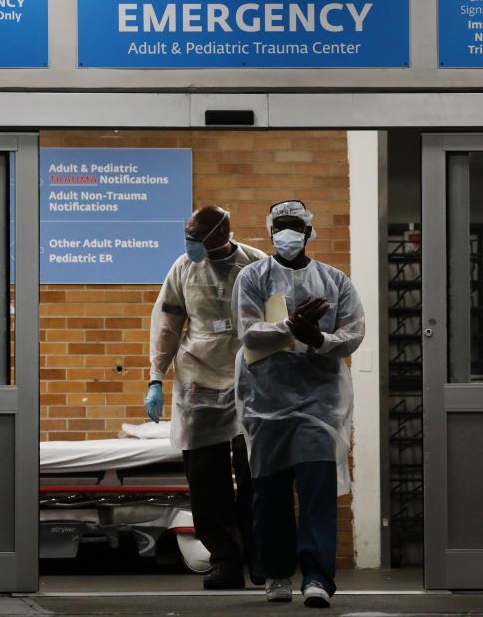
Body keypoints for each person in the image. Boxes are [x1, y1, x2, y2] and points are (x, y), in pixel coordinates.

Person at [233, 200, 365, 609]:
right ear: (271, 231)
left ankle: (317, 576)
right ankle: (276, 573)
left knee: (317, 490)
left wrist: (317, 339)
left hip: (319, 405)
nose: (286, 233)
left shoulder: (335, 281)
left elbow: (354, 332)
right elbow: (249, 332)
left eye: (294, 225)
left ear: (309, 232)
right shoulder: (252, 277)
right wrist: (291, 326)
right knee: (269, 492)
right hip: (264, 401)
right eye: (280, 225)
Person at [145, 206, 268, 589]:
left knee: (257, 474)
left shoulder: (257, 264)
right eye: (187, 233)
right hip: (198, 378)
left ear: (221, 232)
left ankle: (260, 558)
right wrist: (155, 378)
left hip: (250, 377)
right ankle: (225, 562)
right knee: (205, 476)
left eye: (195, 234)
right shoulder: (183, 267)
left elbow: (279, 319)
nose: (189, 241)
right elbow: (167, 324)